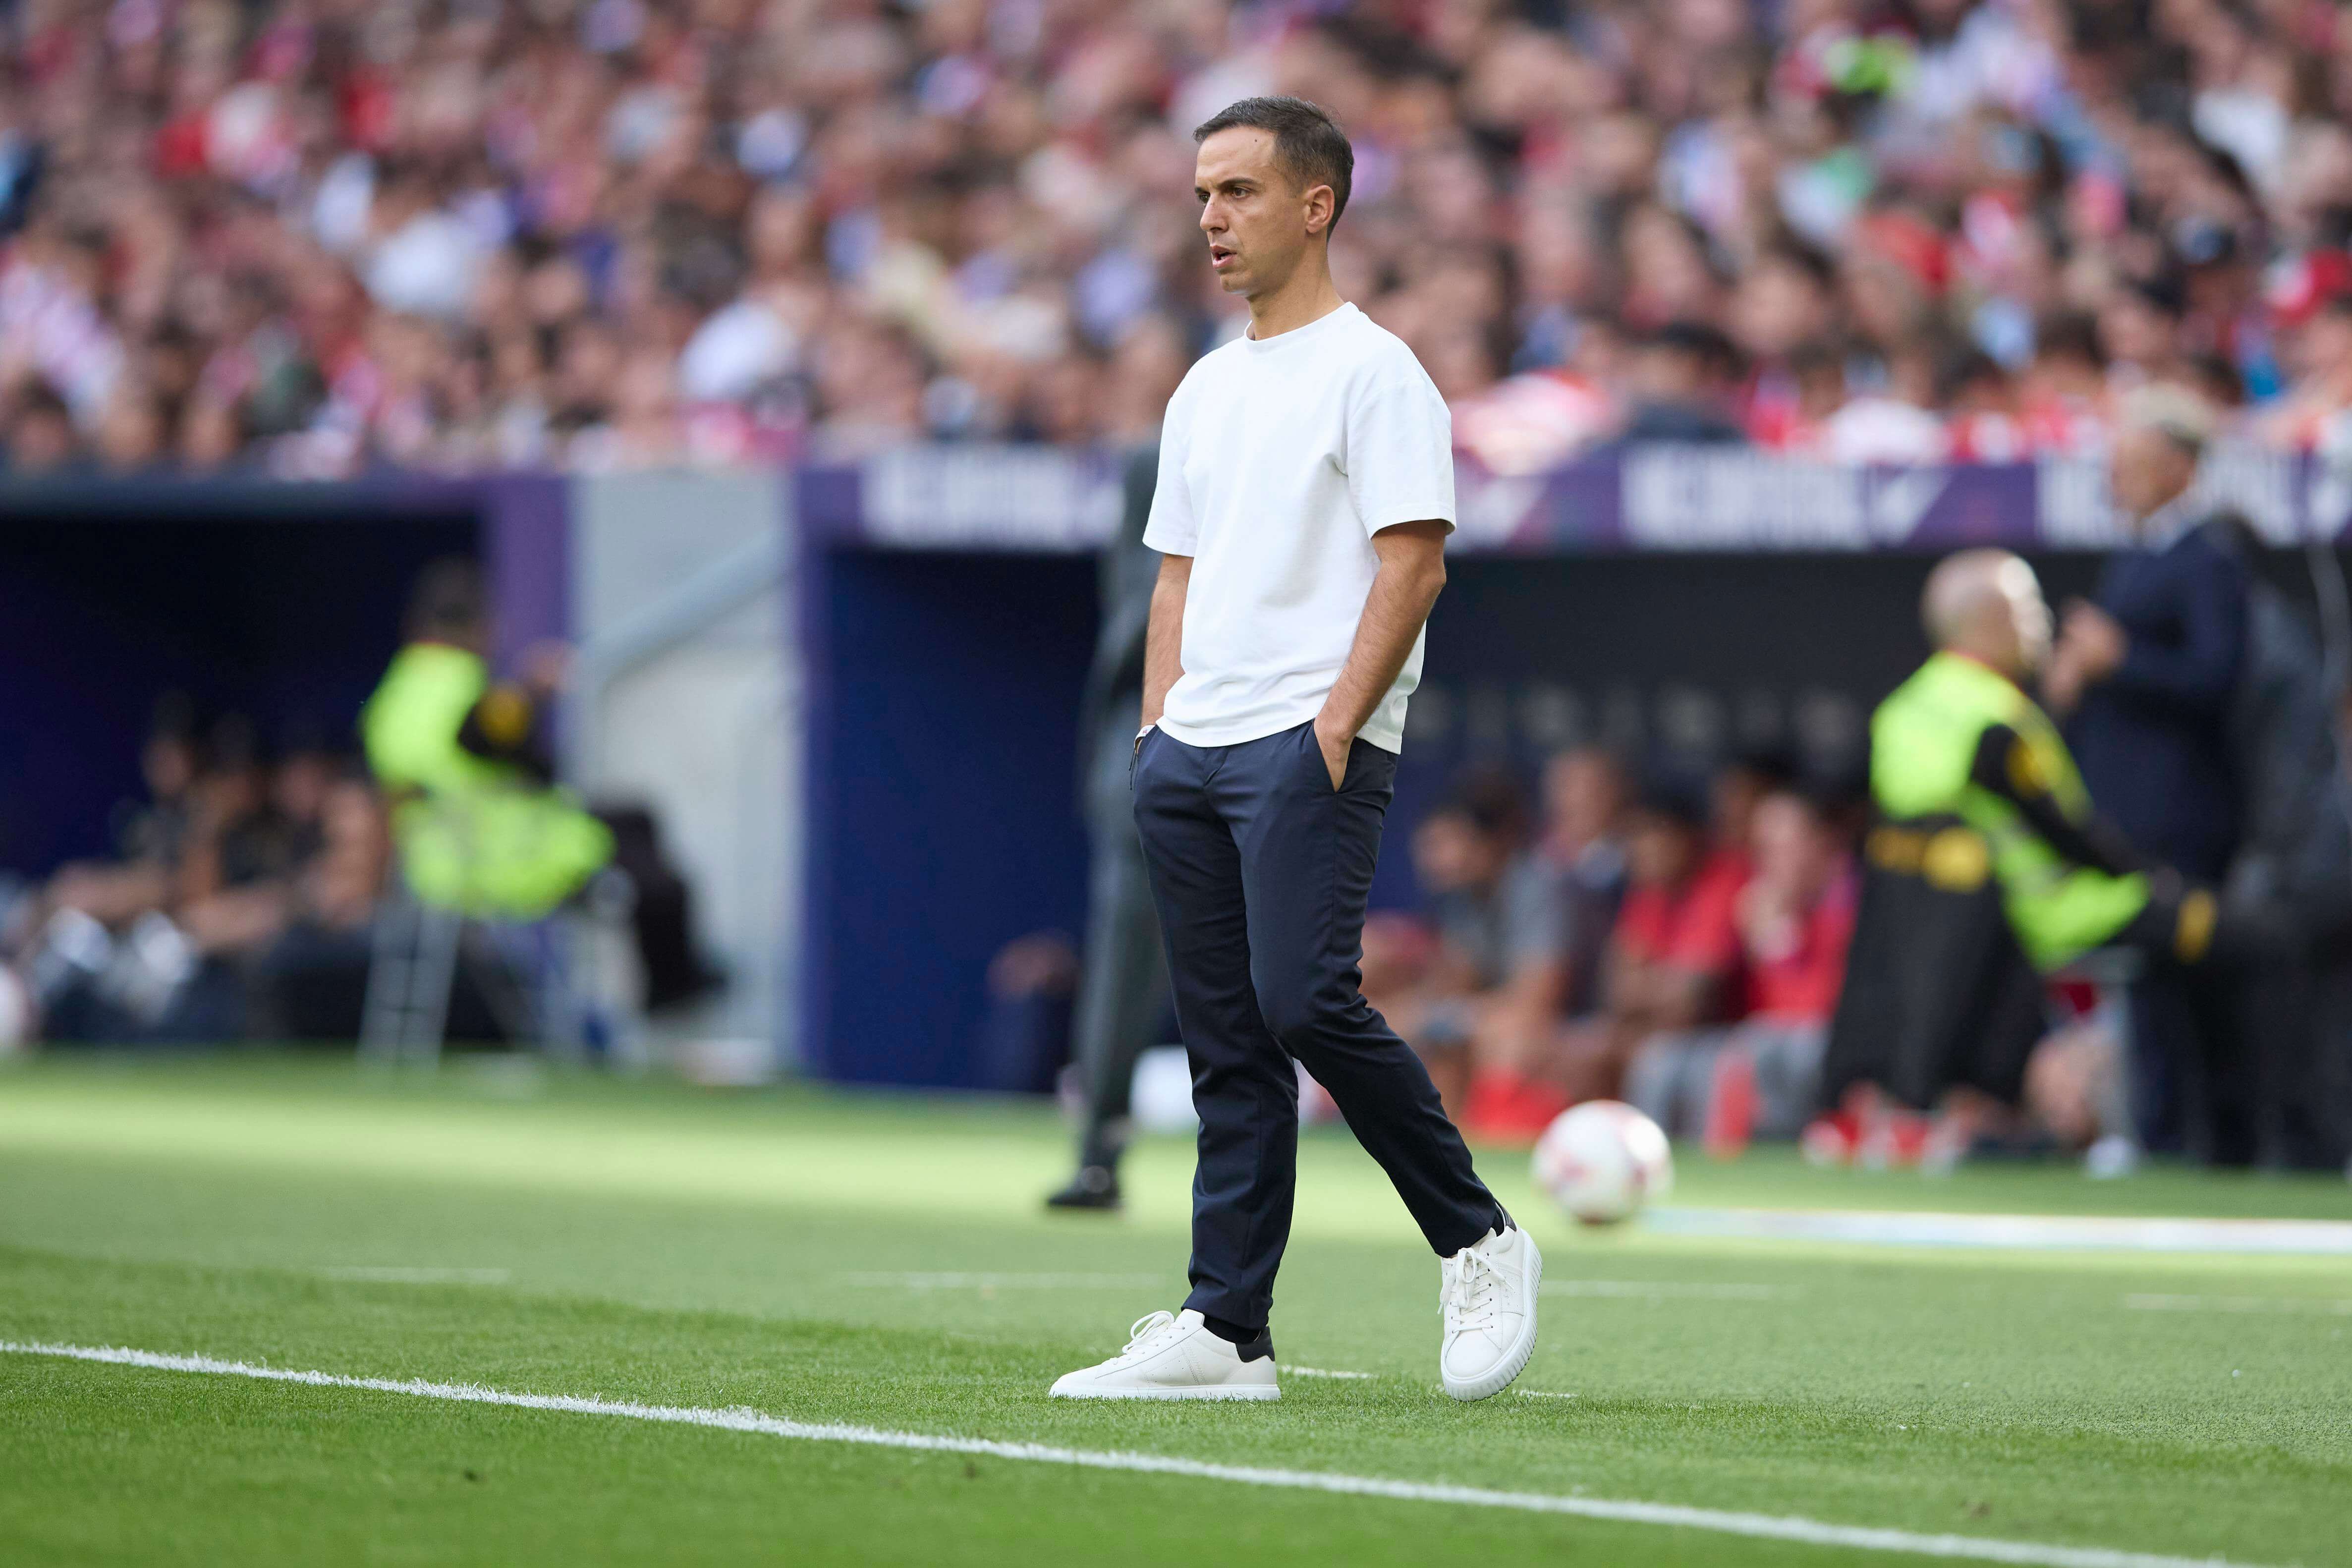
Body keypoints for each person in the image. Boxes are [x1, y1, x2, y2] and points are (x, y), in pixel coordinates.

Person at [1049, 98, 1533, 1406]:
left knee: (1304, 999)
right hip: (1190, 747)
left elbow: (1414, 559)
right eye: (1203, 193)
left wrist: (1334, 724)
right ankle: (1228, 1328)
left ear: (1315, 206)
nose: (1211, 217)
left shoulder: (1375, 372)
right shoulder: (1206, 383)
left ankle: (1479, 1237)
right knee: (1224, 1042)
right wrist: (1161, 724)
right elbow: (1174, 579)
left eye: (1241, 191)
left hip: (1304, 744)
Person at [2044, 388, 2255, 1162]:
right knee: (2144, 987)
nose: (2115, 478)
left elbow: (2215, 676)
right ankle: (2154, 1132)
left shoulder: (2207, 556)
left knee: (2188, 986)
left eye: (2130, 462)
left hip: (2181, 814)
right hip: (2126, 812)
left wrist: (2117, 659)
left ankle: (2206, 1141)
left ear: (2176, 464)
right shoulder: (2137, 551)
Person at [1043, 442, 1174, 1212]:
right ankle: (1098, 1151)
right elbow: (1145, 609)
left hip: (1275, 735)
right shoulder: (1155, 463)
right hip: (1154, 740)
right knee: (1127, 952)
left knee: (1287, 971)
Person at [1625, 787, 1856, 1156]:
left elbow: (1816, 1008)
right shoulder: (1761, 899)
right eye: (1762, 849)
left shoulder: (1849, 901)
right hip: (1760, 1033)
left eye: (1782, 847)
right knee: (1662, 1057)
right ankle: (1648, 1161)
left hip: (1825, 1038)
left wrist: (1778, 941)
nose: (1768, 862)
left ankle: (1758, 1161)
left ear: (1823, 845)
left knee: (1754, 1053)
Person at [1371, 771, 1564, 1122]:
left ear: (1491, 843)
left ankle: (1494, 1151)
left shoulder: (1535, 887)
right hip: (1491, 1015)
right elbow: (1455, 983)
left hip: (1565, 1022)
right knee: (1397, 1024)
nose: (1432, 857)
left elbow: (1534, 1002)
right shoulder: (1460, 898)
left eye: (1447, 843)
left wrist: (1439, 1017)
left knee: (1503, 1038)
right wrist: (1416, 1011)